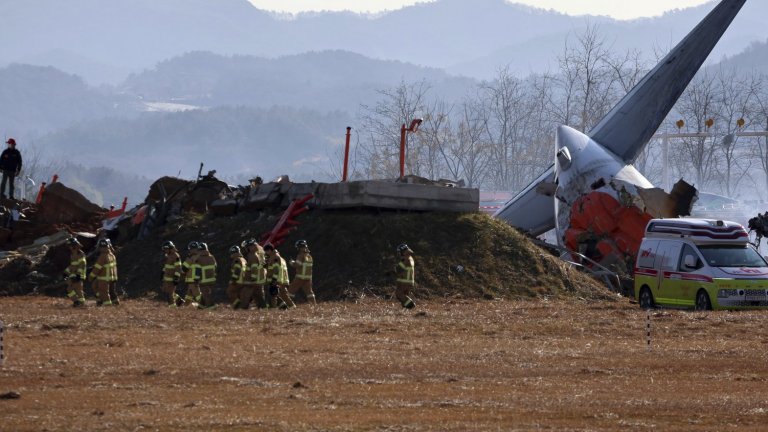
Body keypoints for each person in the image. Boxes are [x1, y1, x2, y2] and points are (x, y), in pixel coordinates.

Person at [264, 243, 295, 309]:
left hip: (276, 280)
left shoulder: (275, 257)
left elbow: (276, 269)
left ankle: (274, 310)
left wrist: (274, 279)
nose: (266, 253)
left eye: (266, 251)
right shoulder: (278, 257)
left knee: (273, 295)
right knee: (283, 295)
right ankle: (290, 307)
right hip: (281, 279)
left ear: (269, 250)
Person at [89, 239, 116, 306]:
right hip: (111, 277)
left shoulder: (102, 256)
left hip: (104, 278)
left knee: (104, 292)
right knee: (94, 286)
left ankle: (108, 306)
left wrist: (90, 277)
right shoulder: (111, 255)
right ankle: (112, 302)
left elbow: (97, 269)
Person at [288, 239, 316, 305]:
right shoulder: (309, 256)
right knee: (309, 293)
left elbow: (297, 265)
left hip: (300, 277)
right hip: (308, 278)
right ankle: (314, 305)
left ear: (299, 247)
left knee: (290, 291)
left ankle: (288, 305)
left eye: (297, 247)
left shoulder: (300, 255)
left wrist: (291, 262)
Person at [242, 238, 267, 308]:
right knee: (259, 295)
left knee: (246, 294)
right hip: (260, 277)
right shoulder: (260, 251)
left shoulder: (252, 255)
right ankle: (263, 309)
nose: (246, 249)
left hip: (254, 279)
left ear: (250, 246)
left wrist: (253, 278)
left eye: (246, 247)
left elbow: (254, 267)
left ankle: (243, 309)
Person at [64, 237, 87, 307]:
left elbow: (82, 265)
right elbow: (72, 265)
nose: (69, 247)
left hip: (78, 276)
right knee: (73, 289)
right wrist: (65, 272)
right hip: (74, 275)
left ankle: (80, 303)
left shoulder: (80, 253)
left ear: (74, 245)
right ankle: (78, 302)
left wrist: (78, 275)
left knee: (77, 290)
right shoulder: (73, 254)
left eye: (70, 246)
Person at [161, 241, 183, 307]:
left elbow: (178, 268)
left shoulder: (176, 256)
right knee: (166, 291)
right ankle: (179, 301)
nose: (165, 250)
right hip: (166, 278)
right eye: (164, 249)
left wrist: (176, 278)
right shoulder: (168, 255)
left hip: (172, 278)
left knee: (169, 294)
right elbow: (167, 266)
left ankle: (173, 308)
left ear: (170, 248)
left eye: (166, 248)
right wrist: (163, 272)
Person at [195, 242, 217, 309]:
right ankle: (200, 308)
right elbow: (215, 267)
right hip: (212, 280)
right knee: (208, 295)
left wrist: (196, 280)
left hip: (203, 281)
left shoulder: (199, 258)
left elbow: (197, 270)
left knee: (206, 296)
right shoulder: (212, 257)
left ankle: (211, 311)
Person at [394, 243, 416, 309]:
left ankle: (411, 306)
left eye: (399, 252)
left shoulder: (406, 259)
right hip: (408, 281)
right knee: (403, 295)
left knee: (399, 294)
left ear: (403, 251)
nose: (399, 253)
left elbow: (399, 269)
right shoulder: (410, 258)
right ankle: (406, 308)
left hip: (405, 281)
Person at [105, 239, 120, 305]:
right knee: (112, 290)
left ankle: (115, 302)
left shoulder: (110, 254)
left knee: (111, 290)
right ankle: (115, 302)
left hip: (110, 274)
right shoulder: (112, 254)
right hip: (113, 274)